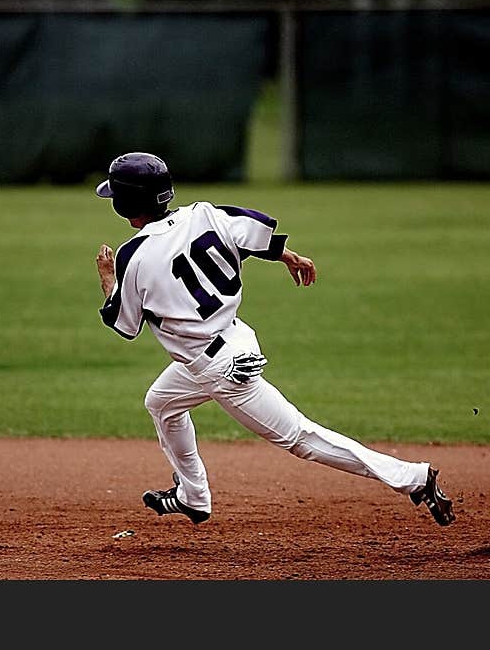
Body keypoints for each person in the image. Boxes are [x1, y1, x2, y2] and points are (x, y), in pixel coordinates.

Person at [93, 151, 455, 527]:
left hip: (217, 368)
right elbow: (252, 232)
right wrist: (289, 257)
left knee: (301, 437)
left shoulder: (132, 256)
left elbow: (125, 324)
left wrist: (108, 278)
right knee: (162, 403)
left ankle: (412, 477)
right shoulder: (204, 213)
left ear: (125, 203)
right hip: (230, 343)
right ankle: (194, 496)